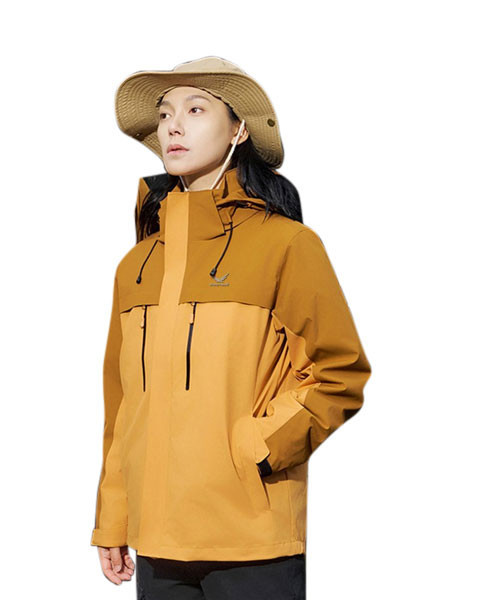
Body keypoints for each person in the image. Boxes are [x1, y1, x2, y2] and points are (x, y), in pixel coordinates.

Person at [90, 56, 372, 599]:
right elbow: (122, 405)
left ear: (239, 130)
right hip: (157, 540)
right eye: (165, 113)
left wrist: (259, 448)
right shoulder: (137, 265)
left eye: (196, 110)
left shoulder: (287, 245)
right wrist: (114, 517)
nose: (173, 125)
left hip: (252, 538)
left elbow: (340, 373)